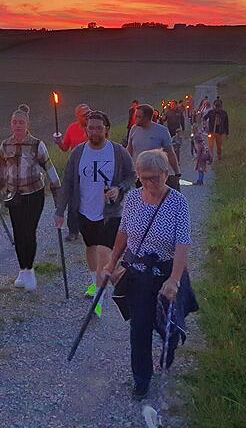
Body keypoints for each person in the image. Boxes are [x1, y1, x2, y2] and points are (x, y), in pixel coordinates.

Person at [99, 149, 194, 400]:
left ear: (166, 174)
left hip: (165, 272)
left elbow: (183, 244)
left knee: (167, 326)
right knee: (139, 328)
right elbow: (123, 233)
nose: (150, 183)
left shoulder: (178, 202)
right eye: (145, 177)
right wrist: (111, 262)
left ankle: (169, 346)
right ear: (138, 176)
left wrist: (174, 279)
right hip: (138, 274)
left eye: (156, 177)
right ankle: (142, 379)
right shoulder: (132, 199)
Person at [55, 110, 135, 304]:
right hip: (84, 210)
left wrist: (119, 188)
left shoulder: (117, 151)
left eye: (99, 128)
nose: (95, 132)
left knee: (103, 252)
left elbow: (131, 175)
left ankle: (99, 298)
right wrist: (60, 211)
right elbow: (68, 183)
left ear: (106, 129)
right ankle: (95, 283)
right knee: (90, 247)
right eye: (91, 128)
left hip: (110, 212)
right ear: (86, 129)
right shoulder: (78, 153)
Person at [0, 104, 62, 291]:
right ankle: (22, 269)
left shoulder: (37, 145)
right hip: (13, 196)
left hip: (34, 195)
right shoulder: (5, 146)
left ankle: (30, 270)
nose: (18, 125)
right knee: (18, 234)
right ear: (10, 124)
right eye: (15, 122)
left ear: (27, 124)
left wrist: (58, 200)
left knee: (28, 233)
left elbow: (50, 169)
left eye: (21, 122)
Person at [55, 103, 91, 242]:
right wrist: (58, 142)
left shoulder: (94, 127)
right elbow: (65, 148)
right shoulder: (72, 128)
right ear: (78, 117)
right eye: (84, 114)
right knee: (73, 200)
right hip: (75, 168)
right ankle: (73, 231)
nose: (88, 116)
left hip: (91, 168)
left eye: (89, 112)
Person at [126, 104, 182, 190]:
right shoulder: (134, 129)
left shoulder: (162, 131)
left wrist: (177, 172)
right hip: (139, 176)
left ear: (147, 118)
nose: (135, 119)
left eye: (138, 117)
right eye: (135, 116)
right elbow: (129, 149)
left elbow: (170, 153)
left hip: (156, 176)